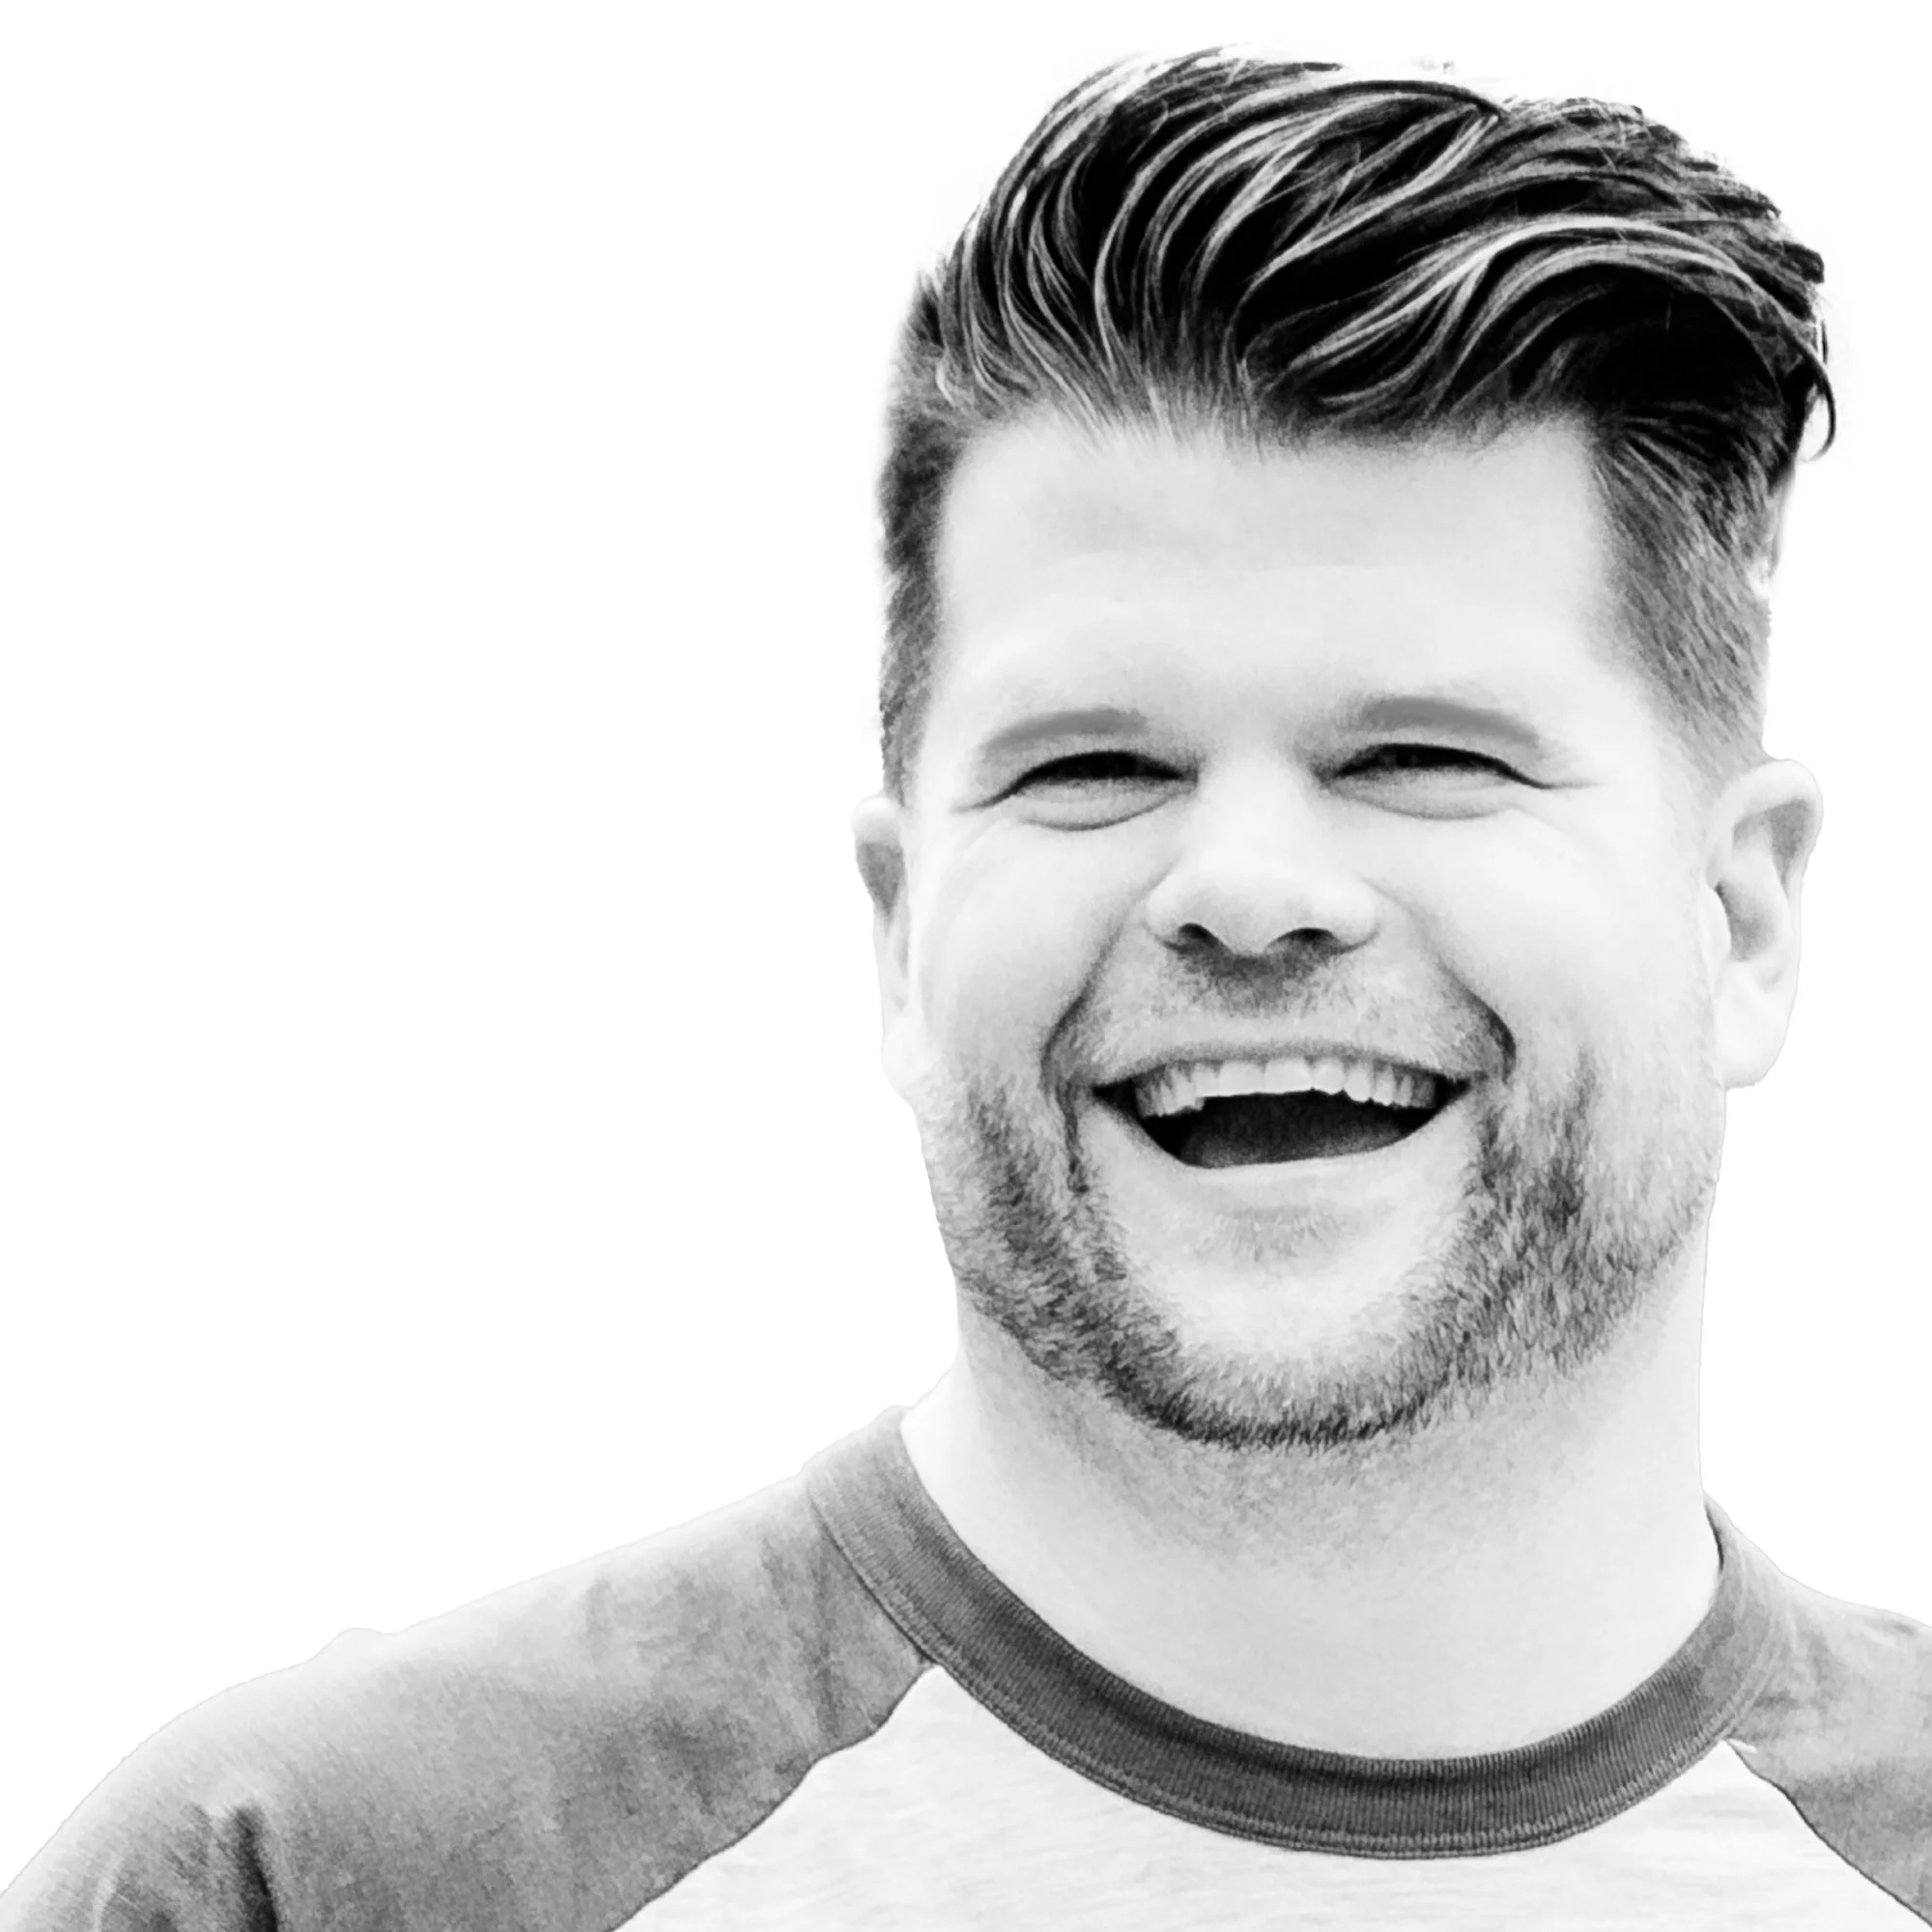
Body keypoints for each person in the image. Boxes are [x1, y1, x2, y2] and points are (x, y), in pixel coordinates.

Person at [5, 47, 1927, 1930]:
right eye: (1092, 764)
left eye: (1424, 756)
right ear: (899, 932)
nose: (1245, 889)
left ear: (1742, 919)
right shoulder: (303, 1880)